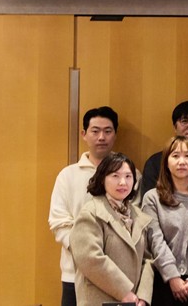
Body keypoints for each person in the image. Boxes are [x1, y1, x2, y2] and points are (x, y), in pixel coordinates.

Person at [49, 106, 119, 306]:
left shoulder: (130, 175)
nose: (101, 137)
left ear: (115, 134)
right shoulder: (67, 175)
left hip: (118, 276)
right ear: (84, 134)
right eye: (95, 131)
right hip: (74, 273)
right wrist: (86, 252)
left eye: (107, 131)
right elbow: (59, 222)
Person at [70, 153, 153, 306]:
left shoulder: (138, 216)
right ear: (103, 178)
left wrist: (143, 296)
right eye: (115, 176)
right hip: (99, 300)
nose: (123, 182)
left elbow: (148, 259)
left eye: (128, 176)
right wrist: (124, 292)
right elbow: (89, 258)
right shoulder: (91, 213)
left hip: (134, 302)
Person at [142, 136, 188, 305]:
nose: (182, 161)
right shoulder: (152, 198)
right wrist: (172, 276)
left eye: (187, 156)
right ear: (166, 162)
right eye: (175, 156)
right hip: (163, 282)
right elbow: (155, 241)